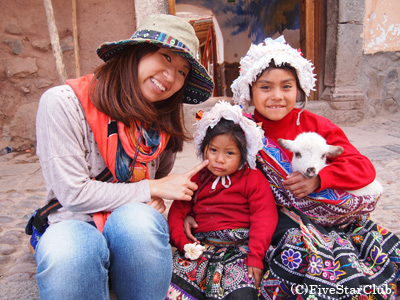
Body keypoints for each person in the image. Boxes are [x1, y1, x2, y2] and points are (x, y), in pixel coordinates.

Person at [33, 14, 214, 300]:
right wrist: (151, 189)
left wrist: (152, 202)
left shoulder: (160, 125)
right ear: (135, 52)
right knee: (68, 253)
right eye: (165, 57)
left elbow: (156, 183)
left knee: (140, 223)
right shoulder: (63, 103)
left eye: (182, 72)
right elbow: (74, 193)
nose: (171, 77)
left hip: (127, 225)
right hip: (73, 221)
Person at [229, 37, 400, 299]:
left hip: (326, 219)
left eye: (286, 86)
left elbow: (362, 167)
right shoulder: (242, 129)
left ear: (298, 89)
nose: (277, 96)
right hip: (270, 221)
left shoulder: (315, 124)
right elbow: (217, 171)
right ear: (250, 91)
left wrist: (319, 180)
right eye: (265, 87)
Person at [167, 101, 278, 300]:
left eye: (229, 153)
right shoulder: (197, 178)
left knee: (242, 291)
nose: (219, 159)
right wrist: (183, 244)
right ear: (204, 149)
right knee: (174, 285)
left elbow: (264, 218)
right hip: (200, 246)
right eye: (213, 150)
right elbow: (177, 210)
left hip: (241, 248)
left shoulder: (253, 179)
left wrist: (256, 256)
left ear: (243, 155)